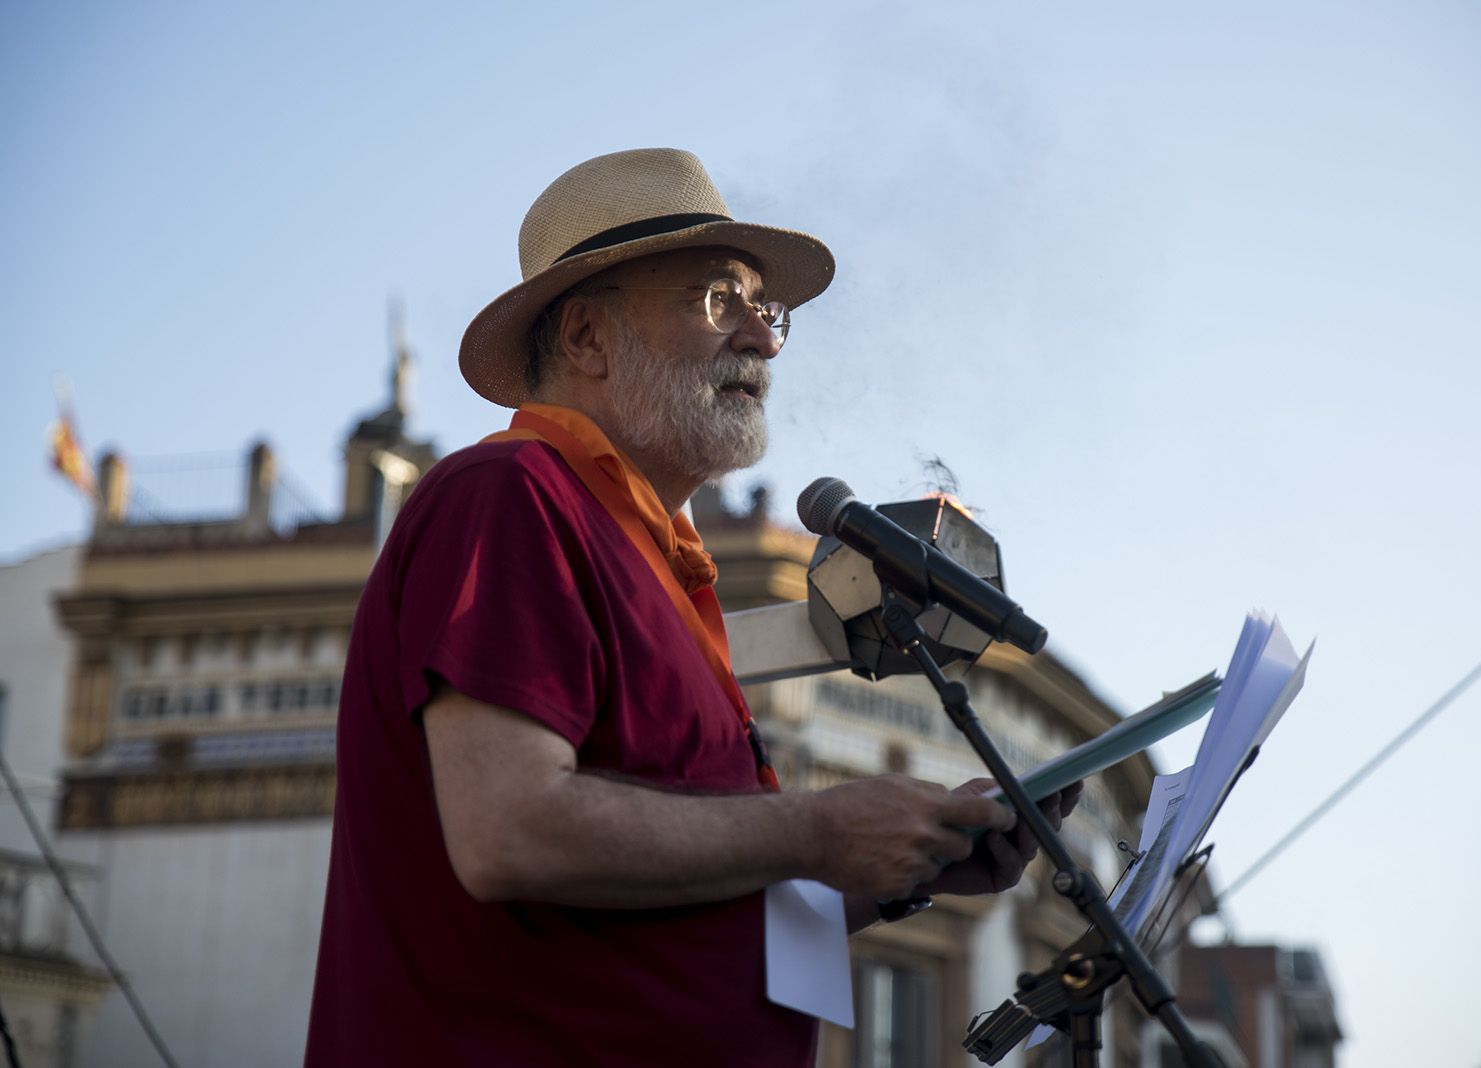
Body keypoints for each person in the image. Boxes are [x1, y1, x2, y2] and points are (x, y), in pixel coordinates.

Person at [305, 148, 1078, 1067]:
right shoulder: (509, 492)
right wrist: (819, 829)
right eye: (718, 300)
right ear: (587, 338)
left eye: (766, 309)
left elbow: (697, 899)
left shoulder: (659, 568)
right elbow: (510, 830)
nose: (763, 339)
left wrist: (911, 861)